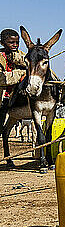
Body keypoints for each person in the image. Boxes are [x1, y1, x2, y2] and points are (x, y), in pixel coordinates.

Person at [0, 29, 27, 168]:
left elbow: (31, 64)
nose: (15, 45)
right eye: (11, 42)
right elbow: (2, 79)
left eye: (17, 42)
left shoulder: (20, 55)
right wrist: (21, 73)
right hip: (2, 98)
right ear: (2, 42)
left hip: (15, 98)